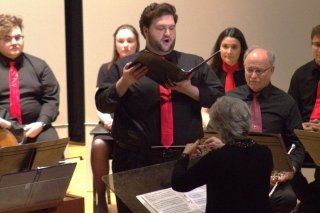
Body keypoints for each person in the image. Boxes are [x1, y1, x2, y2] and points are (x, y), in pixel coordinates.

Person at [95, 3, 224, 212]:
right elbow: (102, 102)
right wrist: (124, 82)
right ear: (146, 30)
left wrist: (188, 89)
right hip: (135, 161)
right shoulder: (124, 66)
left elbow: (219, 99)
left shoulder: (193, 61)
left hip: (185, 158)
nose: (168, 33)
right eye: (160, 28)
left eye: (171, 28)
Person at [208, 46, 305, 213]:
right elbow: (210, 134)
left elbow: (297, 144)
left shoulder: (286, 102)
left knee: (287, 198)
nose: (253, 76)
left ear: (272, 70)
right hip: (233, 173)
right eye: (249, 70)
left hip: (271, 175)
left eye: (259, 71)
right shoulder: (229, 98)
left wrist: (291, 169)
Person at [171, 96, 273, 212]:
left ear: (219, 126)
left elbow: (179, 183)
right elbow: (241, 164)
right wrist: (225, 147)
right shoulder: (265, 152)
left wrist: (185, 155)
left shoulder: (217, 158)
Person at [91, 24, 140, 213]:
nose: (125, 45)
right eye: (121, 41)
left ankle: (127, 200)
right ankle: (100, 201)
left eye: (130, 41)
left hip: (132, 125)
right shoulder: (107, 68)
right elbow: (99, 100)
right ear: (115, 44)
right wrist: (106, 120)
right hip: (109, 123)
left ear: (137, 43)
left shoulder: (145, 68)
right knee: (98, 146)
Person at [0, 14, 59, 143]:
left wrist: (41, 122)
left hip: (36, 127)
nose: (15, 42)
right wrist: (9, 125)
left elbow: (51, 100)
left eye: (17, 37)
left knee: (50, 148)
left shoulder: (39, 65)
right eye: (7, 38)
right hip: (2, 128)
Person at [288, 24, 320, 213]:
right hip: (303, 137)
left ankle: (308, 205)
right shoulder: (301, 74)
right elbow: (289, 111)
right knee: (280, 159)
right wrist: (302, 126)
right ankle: (311, 202)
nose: (319, 49)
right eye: (316, 44)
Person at [202, 27, 248, 128]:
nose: (229, 52)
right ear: (219, 49)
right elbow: (203, 109)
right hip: (213, 128)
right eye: (225, 46)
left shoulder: (249, 75)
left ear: (241, 50)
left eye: (234, 47)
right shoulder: (209, 73)